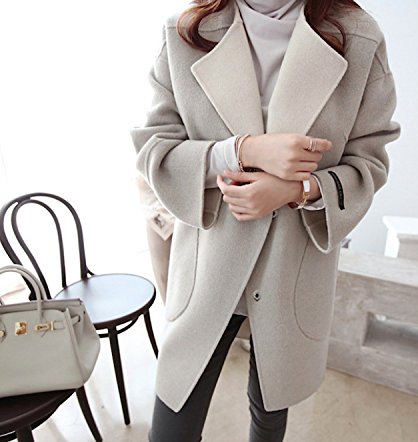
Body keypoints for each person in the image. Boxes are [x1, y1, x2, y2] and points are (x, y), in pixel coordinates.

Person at [130, 0, 401, 440]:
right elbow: (155, 148)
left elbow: (370, 162)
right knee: (175, 413)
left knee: (270, 409)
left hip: (292, 266)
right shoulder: (186, 30)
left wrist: (297, 190)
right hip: (209, 264)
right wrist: (243, 151)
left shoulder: (357, 36)